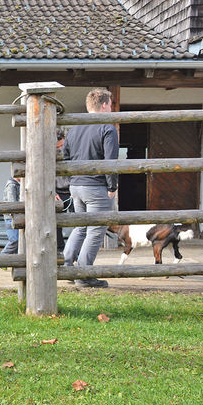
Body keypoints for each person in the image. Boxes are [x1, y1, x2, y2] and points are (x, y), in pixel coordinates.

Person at [62, 88, 119, 288]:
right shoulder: (107, 128)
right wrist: (112, 186)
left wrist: (74, 179)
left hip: (76, 186)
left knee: (81, 227)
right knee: (95, 231)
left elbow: (65, 157)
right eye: (110, 105)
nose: (111, 109)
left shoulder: (74, 128)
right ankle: (84, 275)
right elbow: (111, 160)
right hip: (96, 187)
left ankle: (67, 268)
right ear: (104, 105)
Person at [55, 128, 73, 252]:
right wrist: (52, 192)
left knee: (79, 222)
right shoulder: (48, 155)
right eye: (58, 147)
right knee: (56, 224)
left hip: (72, 191)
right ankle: (60, 249)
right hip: (57, 192)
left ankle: (75, 250)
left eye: (62, 145)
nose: (60, 149)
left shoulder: (72, 151)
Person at [0, 176, 20, 255]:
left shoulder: (18, 184)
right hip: (11, 217)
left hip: (17, 216)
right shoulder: (12, 185)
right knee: (14, 240)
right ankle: (2, 259)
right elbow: (12, 203)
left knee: (18, 241)